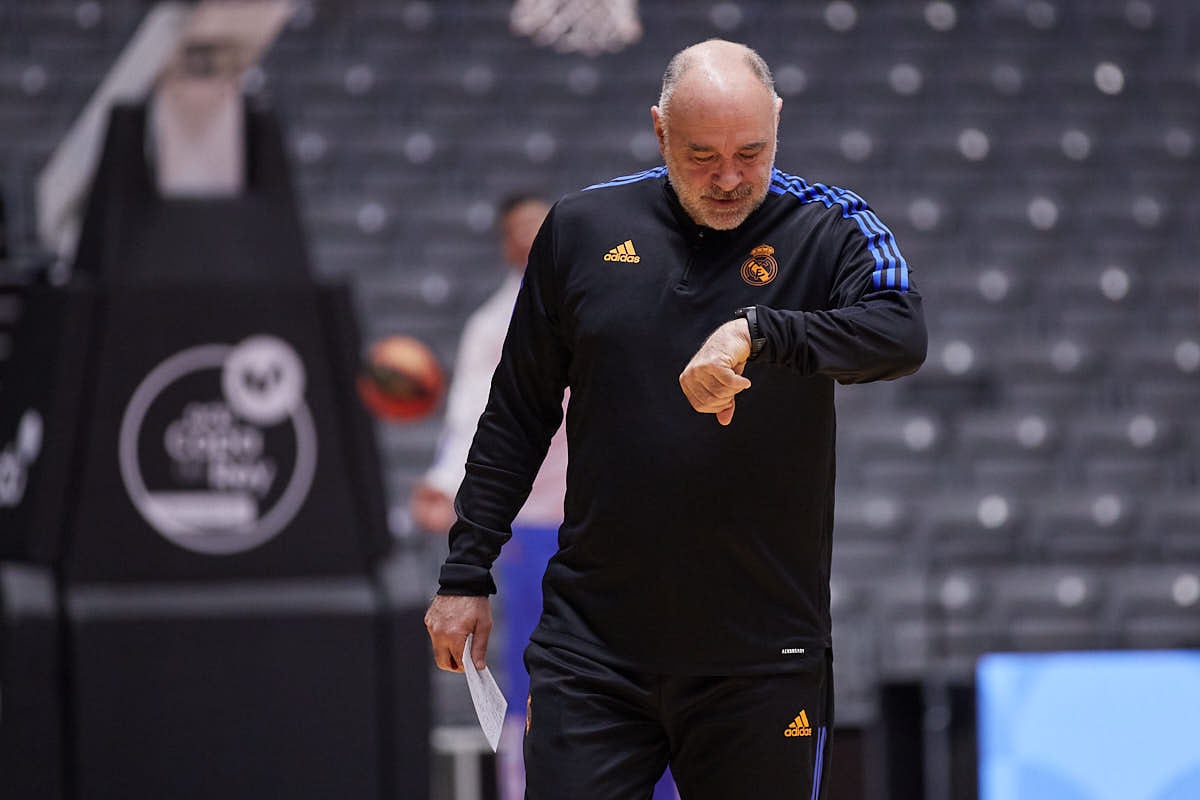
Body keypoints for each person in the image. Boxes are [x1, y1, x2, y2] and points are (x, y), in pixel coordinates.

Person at [425, 39, 927, 800]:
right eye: (701, 155)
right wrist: (466, 571)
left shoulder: (831, 226)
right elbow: (517, 412)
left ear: (778, 125)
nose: (728, 177)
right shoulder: (581, 230)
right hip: (593, 650)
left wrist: (763, 331)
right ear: (660, 131)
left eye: (750, 152)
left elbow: (900, 332)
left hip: (763, 658)